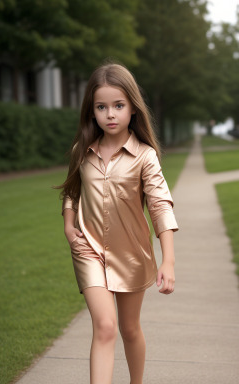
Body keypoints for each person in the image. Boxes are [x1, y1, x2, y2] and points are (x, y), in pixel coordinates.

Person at [54, 62, 179, 384]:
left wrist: (169, 260)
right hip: (88, 250)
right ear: (91, 111)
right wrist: (70, 229)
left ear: (133, 109)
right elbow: (72, 192)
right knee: (105, 327)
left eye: (118, 105)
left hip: (131, 253)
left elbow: (160, 205)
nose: (110, 114)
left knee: (129, 329)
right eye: (101, 107)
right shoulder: (81, 151)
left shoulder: (145, 156)